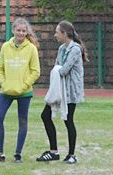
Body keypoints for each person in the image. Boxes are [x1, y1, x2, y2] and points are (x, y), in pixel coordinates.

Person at [37, 21, 87, 164]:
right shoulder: (61, 49)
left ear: (65, 34)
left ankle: (71, 155)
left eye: (57, 32)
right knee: (45, 115)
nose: (55, 35)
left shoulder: (75, 49)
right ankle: (53, 152)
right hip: (59, 89)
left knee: (68, 120)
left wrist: (57, 70)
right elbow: (58, 68)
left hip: (70, 92)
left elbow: (63, 70)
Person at [0, 17, 40, 163]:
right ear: (13, 30)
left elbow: (35, 71)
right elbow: (0, 68)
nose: (20, 33)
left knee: (23, 121)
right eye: (18, 30)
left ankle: (18, 153)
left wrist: (25, 85)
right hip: (7, 91)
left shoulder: (31, 48)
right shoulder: (6, 46)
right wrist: (3, 83)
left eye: (23, 31)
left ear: (27, 32)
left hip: (24, 92)